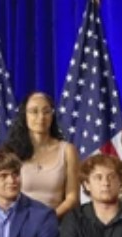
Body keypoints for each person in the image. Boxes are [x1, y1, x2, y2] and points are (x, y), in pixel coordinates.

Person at [4, 91, 80, 219]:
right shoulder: (11, 151)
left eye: (46, 111)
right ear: (24, 116)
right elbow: (3, 194)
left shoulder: (68, 150)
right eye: (34, 111)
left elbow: (72, 198)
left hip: (56, 223)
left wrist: (49, 219)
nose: (41, 117)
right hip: (18, 223)